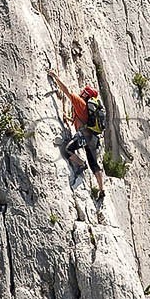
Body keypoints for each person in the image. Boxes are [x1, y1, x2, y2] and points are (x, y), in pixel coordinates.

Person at [48, 69, 107, 202]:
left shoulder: (81, 103)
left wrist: (55, 76)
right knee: (94, 164)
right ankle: (102, 189)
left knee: (68, 150)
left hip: (84, 136)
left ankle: (81, 164)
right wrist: (69, 119)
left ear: (84, 94)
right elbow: (81, 120)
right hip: (93, 137)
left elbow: (67, 91)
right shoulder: (88, 109)